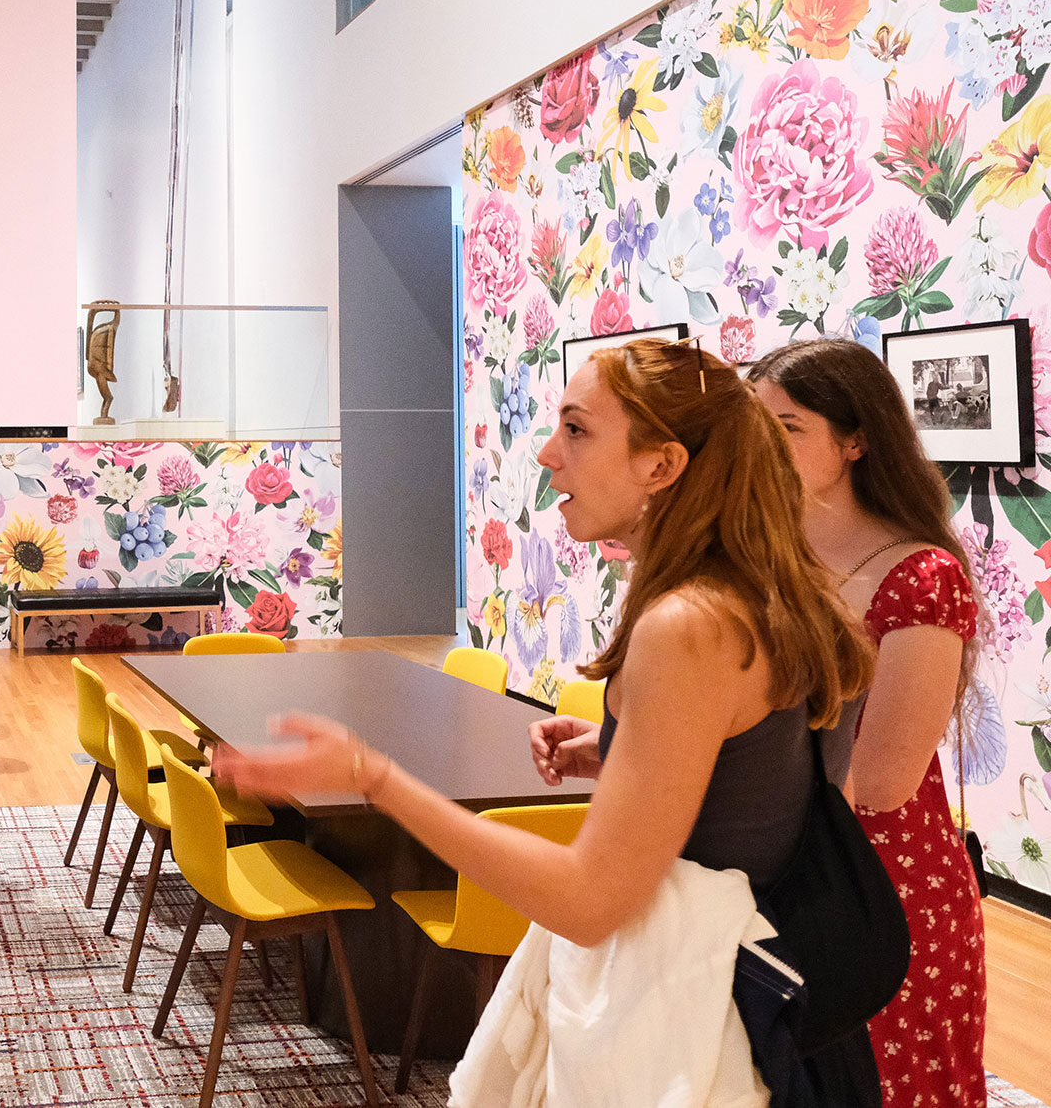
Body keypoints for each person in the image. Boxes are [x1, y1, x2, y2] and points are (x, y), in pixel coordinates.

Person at [214, 340, 877, 1086]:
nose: (545, 453)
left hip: (696, 1030)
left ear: (661, 465)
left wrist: (373, 777)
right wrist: (622, 746)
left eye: (577, 429)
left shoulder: (688, 625)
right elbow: (757, 779)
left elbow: (589, 901)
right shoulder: (755, 598)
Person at [750, 338, 987, 1107]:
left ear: (855, 440)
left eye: (787, 427)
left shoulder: (922, 577)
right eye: (755, 426)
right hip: (781, 864)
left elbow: (882, 781)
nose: (764, 447)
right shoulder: (769, 559)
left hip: (884, 885)